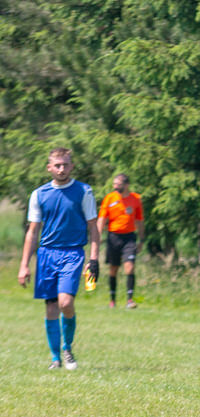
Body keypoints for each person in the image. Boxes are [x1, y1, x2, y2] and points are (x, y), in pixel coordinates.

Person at [18, 147, 100, 370]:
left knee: (66, 303)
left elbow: (93, 227)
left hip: (72, 253)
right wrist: (24, 265)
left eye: (65, 164)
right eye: (57, 165)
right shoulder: (39, 194)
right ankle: (55, 358)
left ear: (72, 166)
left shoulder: (84, 191)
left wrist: (94, 259)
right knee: (51, 308)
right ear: (49, 168)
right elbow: (33, 232)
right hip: (46, 254)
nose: (62, 169)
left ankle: (67, 348)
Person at [97, 173, 144, 309]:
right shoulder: (109, 198)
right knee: (113, 269)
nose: (116, 187)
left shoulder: (135, 199)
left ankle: (130, 300)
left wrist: (141, 239)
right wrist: (98, 236)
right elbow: (102, 219)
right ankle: (113, 300)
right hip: (113, 237)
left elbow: (140, 220)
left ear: (126, 185)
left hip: (129, 237)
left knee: (130, 267)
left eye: (119, 184)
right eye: (114, 184)